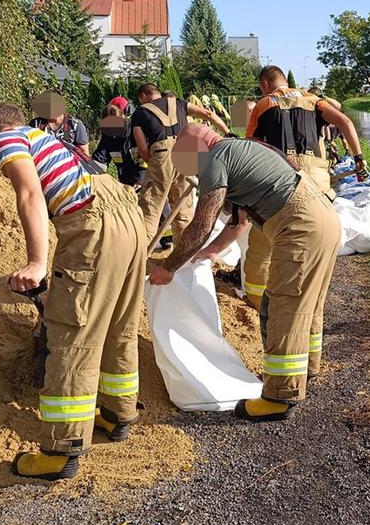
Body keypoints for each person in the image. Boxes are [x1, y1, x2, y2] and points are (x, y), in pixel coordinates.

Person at [0, 103, 146, 481]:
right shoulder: (49, 139)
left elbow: (29, 195)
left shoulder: (6, 138)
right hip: (128, 216)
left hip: (93, 221)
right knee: (119, 323)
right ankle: (119, 416)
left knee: (74, 335)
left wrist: (37, 263)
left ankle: (60, 450)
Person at [149, 123, 340, 422]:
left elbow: (202, 224)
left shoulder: (215, 158)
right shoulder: (243, 149)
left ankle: (280, 396)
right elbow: (240, 221)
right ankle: (307, 368)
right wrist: (212, 252)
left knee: (282, 307)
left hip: (300, 226)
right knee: (308, 303)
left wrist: (169, 267)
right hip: (325, 220)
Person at [240, 65, 366, 317]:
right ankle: (308, 299)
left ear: (265, 84)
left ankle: (257, 303)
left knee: (262, 244)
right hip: (317, 180)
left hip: (279, 180)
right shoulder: (314, 101)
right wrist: (359, 158)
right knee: (311, 239)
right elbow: (345, 121)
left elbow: (250, 148)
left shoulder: (263, 105)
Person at [131, 83, 229, 245]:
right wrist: (227, 133)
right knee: (183, 211)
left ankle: (137, 261)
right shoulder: (178, 103)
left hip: (162, 155)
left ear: (143, 97)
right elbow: (207, 114)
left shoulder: (140, 112)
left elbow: (142, 147)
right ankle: (183, 261)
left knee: (150, 210)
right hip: (187, 153)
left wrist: (157, 166)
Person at [91, 104, 146, 188]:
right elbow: (100, 159)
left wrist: (139, 181)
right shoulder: (108, 136)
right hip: (125, 181)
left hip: (147, 178)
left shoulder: (136, 129)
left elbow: (146, 158)